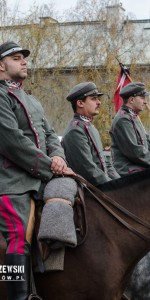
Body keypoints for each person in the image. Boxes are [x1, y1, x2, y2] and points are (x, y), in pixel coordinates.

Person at [0, 41, 72, 300]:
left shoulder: (32, 100)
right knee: (18, 233)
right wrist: (48, 165)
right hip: (11, 182)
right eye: (17, 58)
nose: (24, 62)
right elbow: (12, 141)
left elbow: (52, 135)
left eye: (24, 58)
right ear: (1, 65)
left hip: (41, 175)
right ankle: (17, 295)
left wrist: (58, 157)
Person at [62, 82, 120, 186]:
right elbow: (88, 169)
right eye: (93, 99)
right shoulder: (75, 131)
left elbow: (105, 163)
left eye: (98, 99)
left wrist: (120, 183)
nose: (99, 102)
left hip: (101, 185)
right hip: (88, 189)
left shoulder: (90, 127)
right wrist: (112, 186)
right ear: (80, 103)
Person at [110, 82, 150, 176]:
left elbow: (148, 142)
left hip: (139, 167)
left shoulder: (133, 117)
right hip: (128, 170)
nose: (145, 102)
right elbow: (134, 151)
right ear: (131, 100)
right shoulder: (123, 119)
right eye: (142, 98)